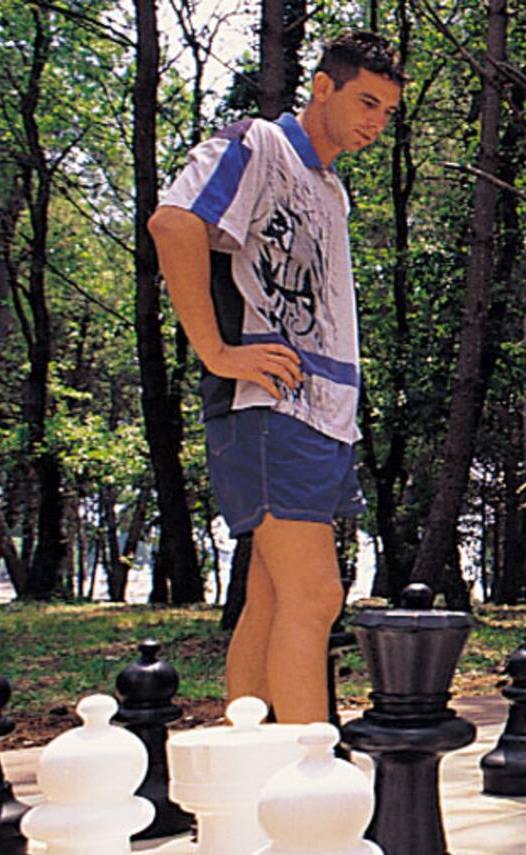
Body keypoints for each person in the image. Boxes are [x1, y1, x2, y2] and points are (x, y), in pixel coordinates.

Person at [149, 32, 404, 724]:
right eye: (366, 102)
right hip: (268, 406)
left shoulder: (331, 189)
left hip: (321, 415)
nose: (376, 122)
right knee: (317, 595)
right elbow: (174, 223)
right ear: (323, 87)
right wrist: (217, 351)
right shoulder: (256, 145)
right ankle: (307, 786)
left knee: (272, 598)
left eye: (388, 111)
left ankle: (253, 769)